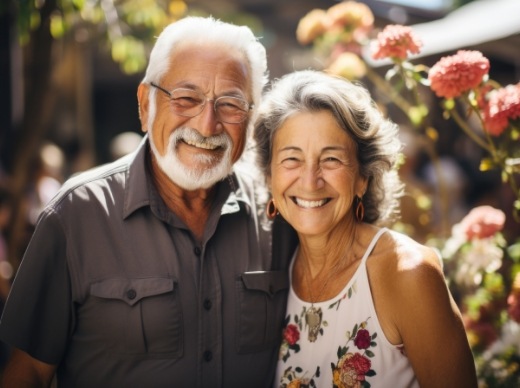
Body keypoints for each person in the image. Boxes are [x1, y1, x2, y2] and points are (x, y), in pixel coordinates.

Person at [0, 16, 297, 388]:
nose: (207, 126)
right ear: (145, 105)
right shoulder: (76, 215)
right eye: (186, 98)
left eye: (230, 104)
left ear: (251, 118)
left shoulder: (281, 213)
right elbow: (27, 372)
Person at [253, 70, 478, 388]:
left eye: (331, 159)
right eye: (292, 159)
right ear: (268, 176)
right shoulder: (277, 268)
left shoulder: (407, 274)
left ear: (363, 177)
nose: (309, 180)